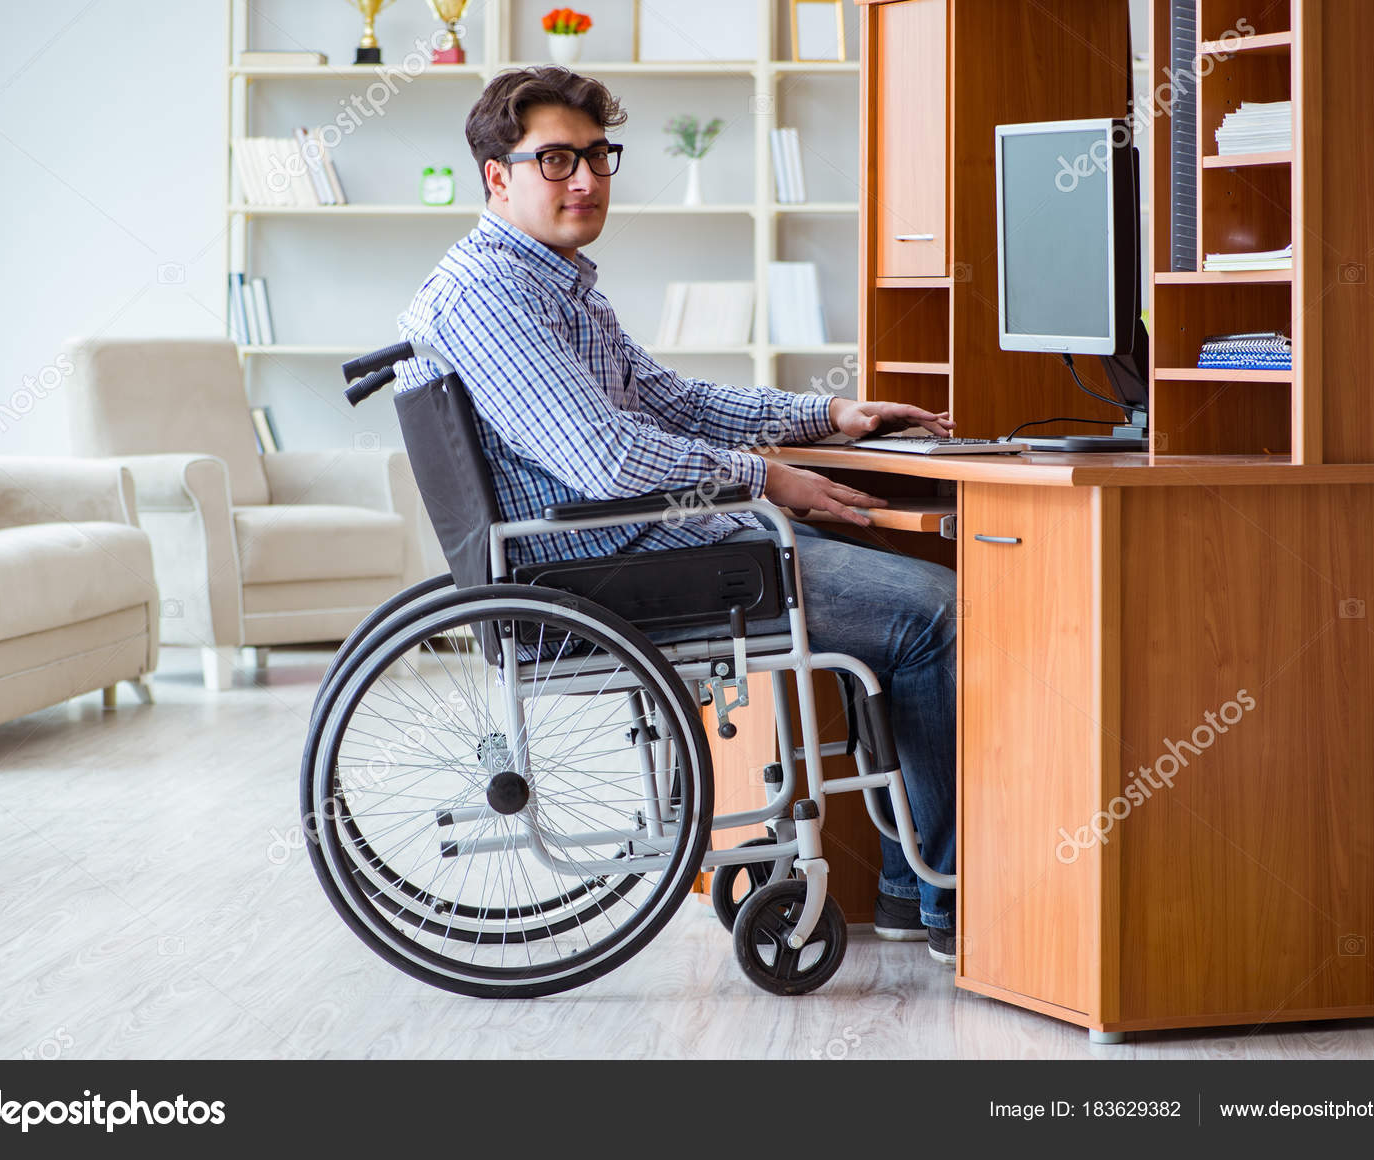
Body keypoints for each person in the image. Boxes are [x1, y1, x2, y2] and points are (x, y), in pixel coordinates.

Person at [394, 67, 959, 962]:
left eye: (596, 157)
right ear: (497, 176)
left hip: (654, 546)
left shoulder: (551, 281)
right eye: (555, 160)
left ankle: (901, 884)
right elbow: (607, 458)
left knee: (882, 572)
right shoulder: (489, 296)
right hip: (622, 571)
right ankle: (942, 903)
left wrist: (825, 417)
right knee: (936, 611)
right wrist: (766, 479)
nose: (584, 180)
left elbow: (669, 401)